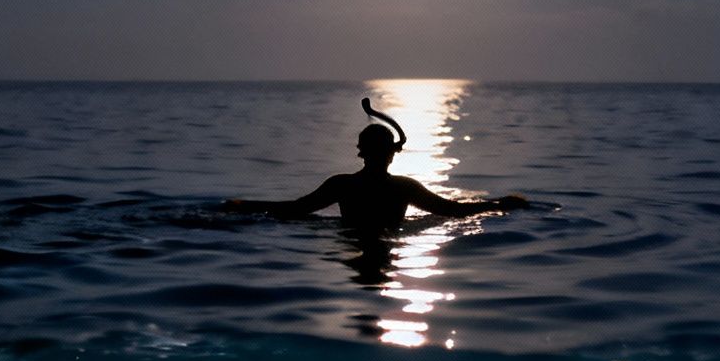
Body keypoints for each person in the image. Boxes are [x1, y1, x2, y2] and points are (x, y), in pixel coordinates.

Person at [223, 99, 527, 223]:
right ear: (393, 153)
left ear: (360, 152)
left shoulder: (342, 184)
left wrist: (243, 206)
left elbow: (292, 209)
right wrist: (500, 204)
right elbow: (452, 210)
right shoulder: (404, 187)